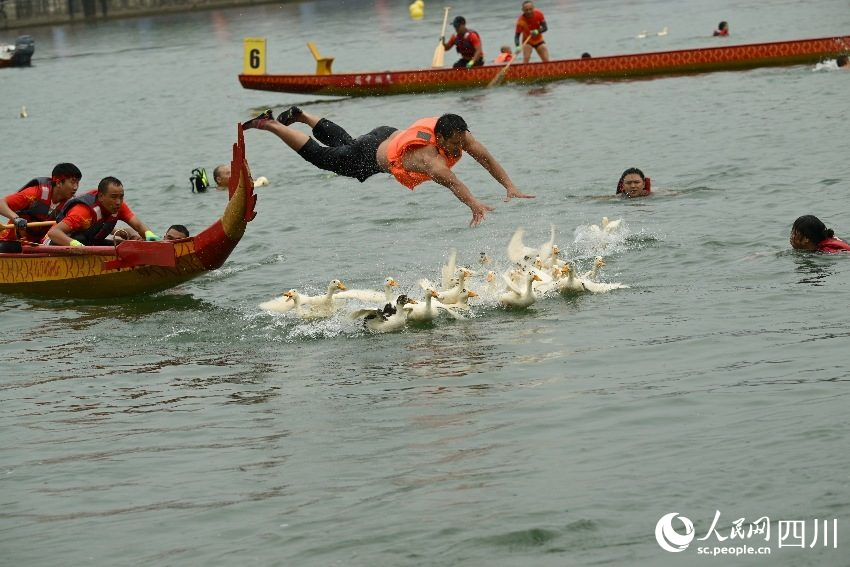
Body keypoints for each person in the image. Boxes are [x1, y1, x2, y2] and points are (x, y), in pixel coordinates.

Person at [242, 108, 534, 227]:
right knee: (323, 157)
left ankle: (303, 115)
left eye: (462, 144)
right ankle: (272, 125)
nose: (459, 150)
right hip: (370, 154)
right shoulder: (428, 158)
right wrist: (474, 205)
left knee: (344, 144)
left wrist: (510, 186)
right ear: (440, 136)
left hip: (383, 137)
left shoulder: (459, 133)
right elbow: (453, 181)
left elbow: (487, 158)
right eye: (454, 145)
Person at [45, 176, 160, 246]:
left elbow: (138, 225)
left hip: (88, 243)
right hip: (54, 243)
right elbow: (53, 233)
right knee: (80, 239)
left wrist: (149, 234)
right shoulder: (82, 211)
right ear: (100, 197)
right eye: (114, 197)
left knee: (123, 245)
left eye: (121, 197)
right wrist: (75, 245)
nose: (118, 202)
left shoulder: (119, 206)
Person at [0, 163, 82, 252]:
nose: (76, 187)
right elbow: (1, 203)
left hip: (39, 245)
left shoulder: (70, 204)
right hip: (12, 241)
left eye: (77, 183)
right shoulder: (34, 193)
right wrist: (16, 218)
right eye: (72, 182)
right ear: (58, 183)